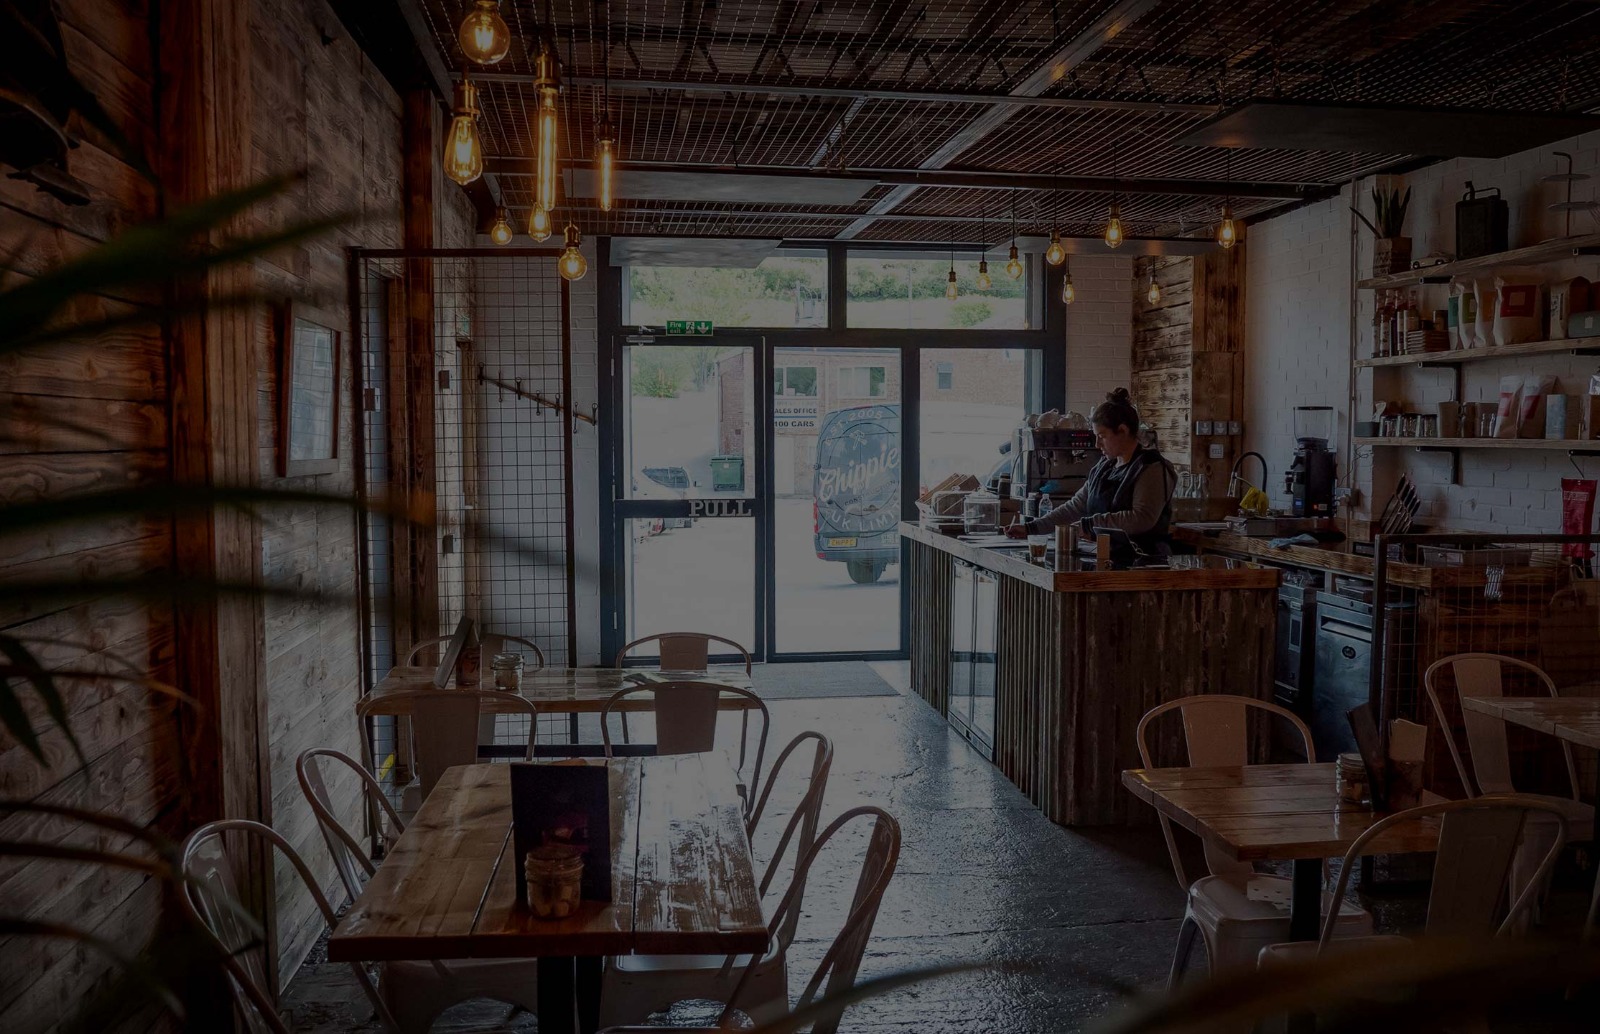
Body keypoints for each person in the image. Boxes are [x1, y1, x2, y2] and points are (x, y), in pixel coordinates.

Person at [1005, 388, 1176, 552]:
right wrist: (1032, 528)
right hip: (1105, 557)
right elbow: (1075, 507)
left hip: (1143, 564)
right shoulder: (1104, 467)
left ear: (1123, 430)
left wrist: (1089, 524)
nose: (1097, 444)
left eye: (1102, 436)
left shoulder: (1150, 467)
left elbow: (1141, 518)